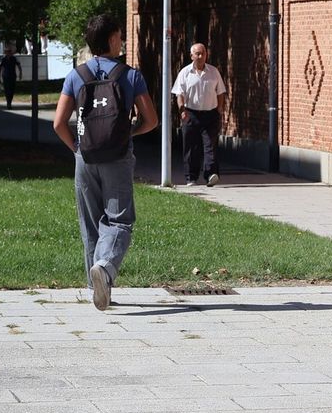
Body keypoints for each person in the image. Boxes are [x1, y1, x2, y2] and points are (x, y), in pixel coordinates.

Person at [52, 15, 158, 311]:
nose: (122, 40)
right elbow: (151, 120)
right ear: (112, 39)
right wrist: (128, 132)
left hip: (84, 158)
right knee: (120, 220)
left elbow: (59, 123)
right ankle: (106, 268)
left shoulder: (77, 75)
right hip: (118, 156)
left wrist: (76, 147)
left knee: (91, 223)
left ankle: (96, 288)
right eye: (120, 36)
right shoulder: (130, 75)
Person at [171, 42, 228, 186]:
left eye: (203, 53)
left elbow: (220, 92)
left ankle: (211, 175)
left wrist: (220, 108)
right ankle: (191, 177)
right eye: (198, 53)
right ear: (192, 56)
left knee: (210, 145)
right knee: (191, 147)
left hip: (210, 114)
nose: (201, 56)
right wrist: (182, 110)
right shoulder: (185, 73)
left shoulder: (213, 72)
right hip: (191, 114)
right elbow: (180, 94)